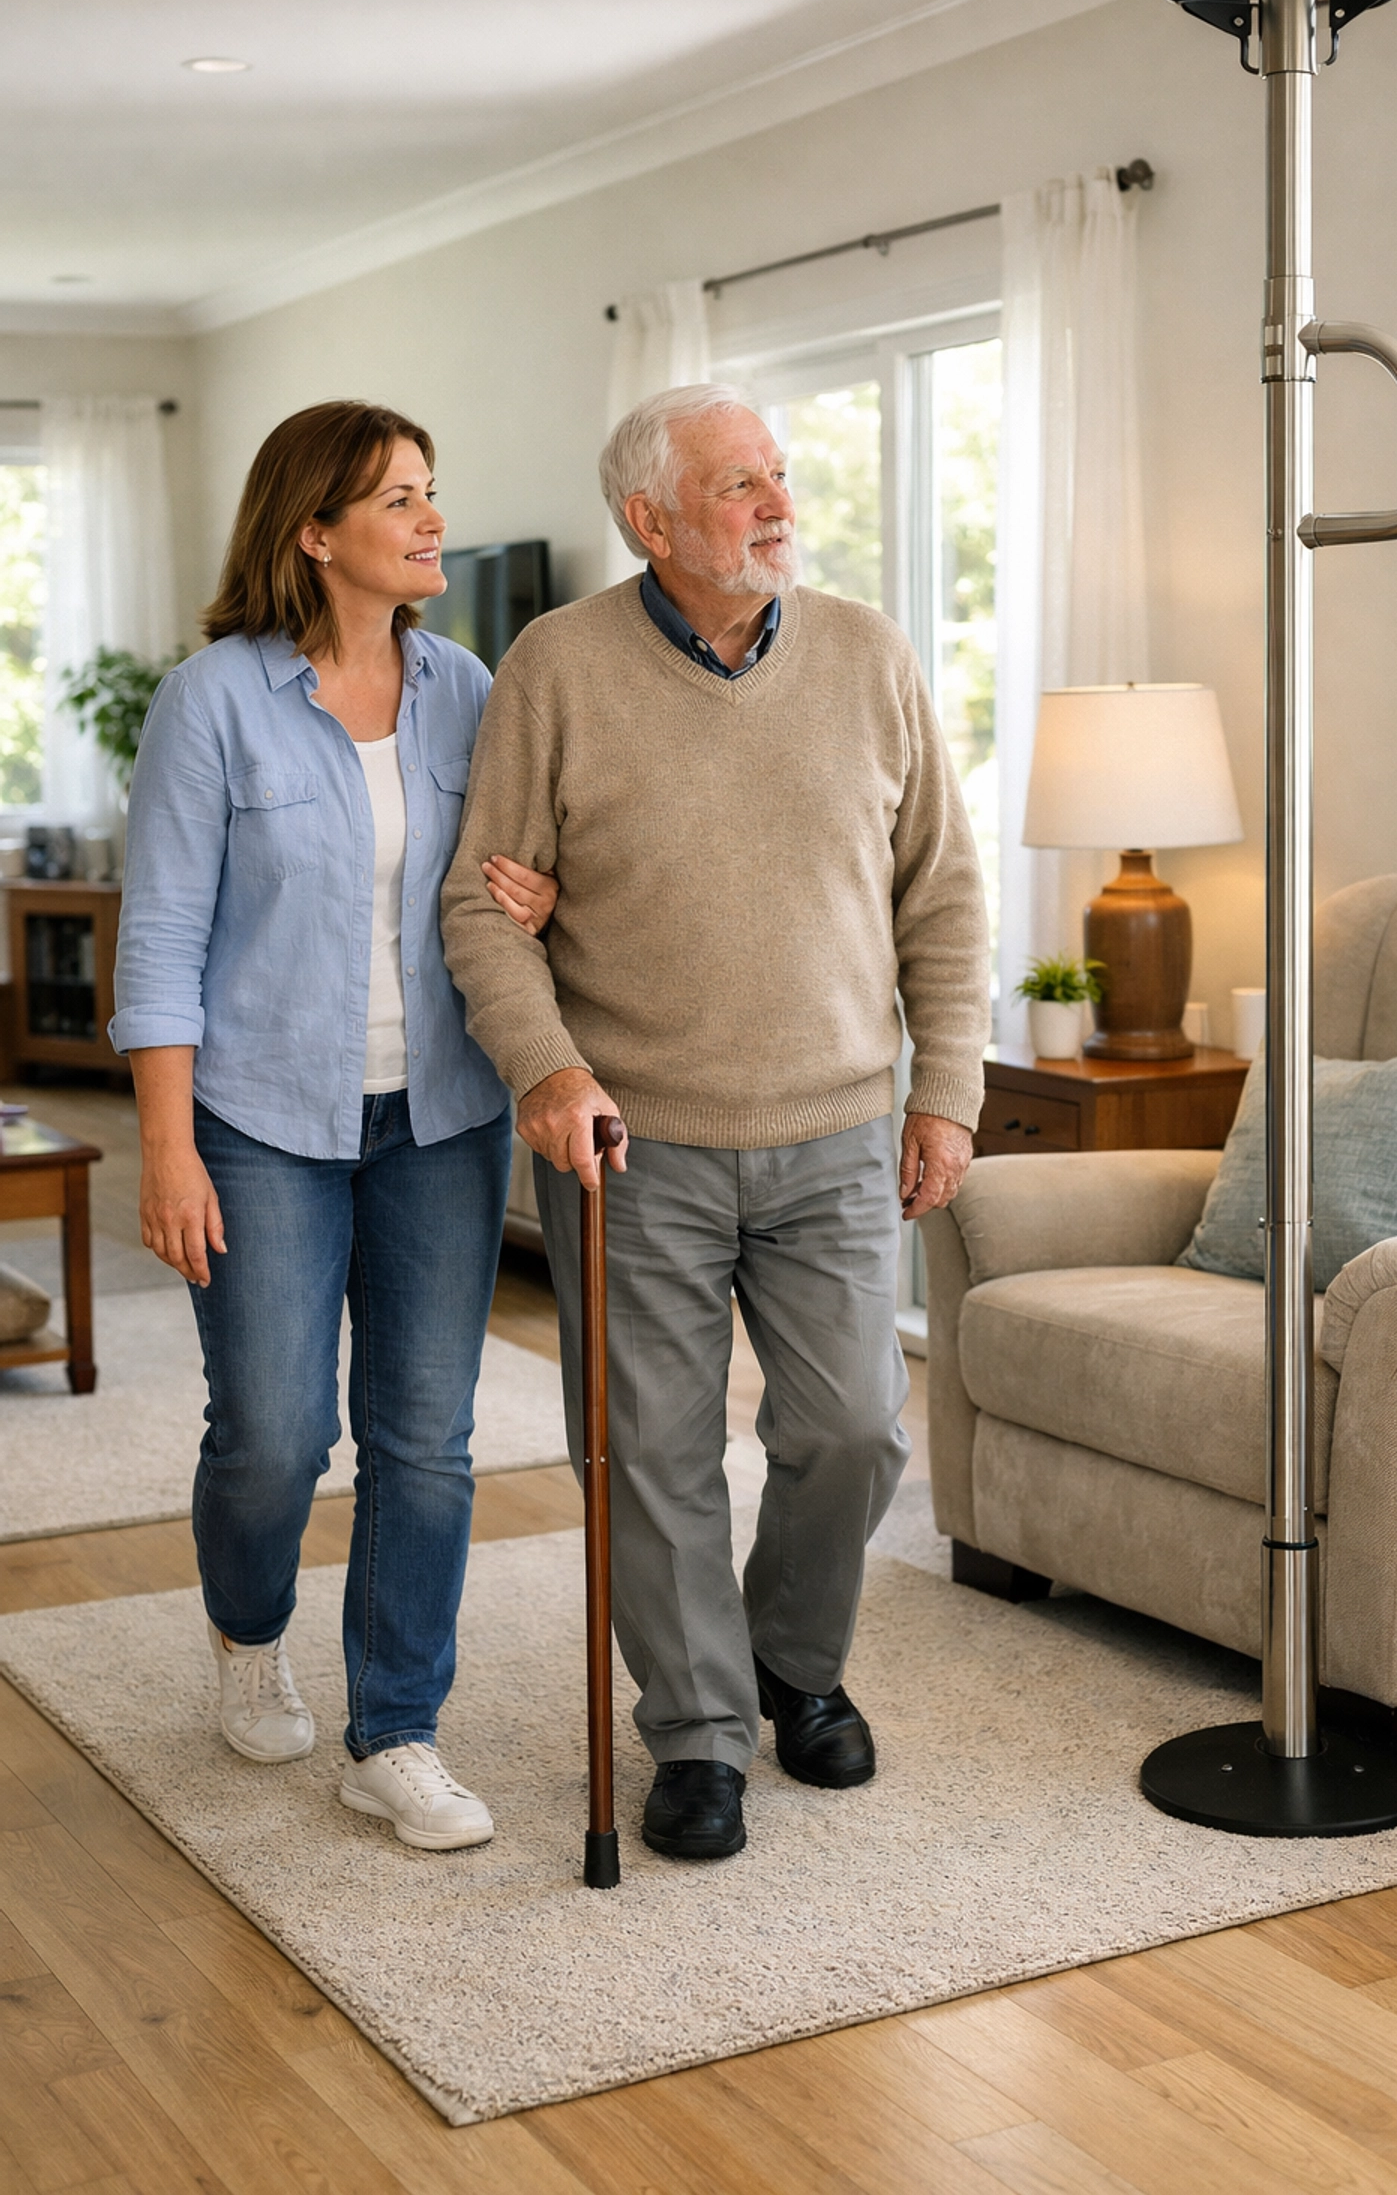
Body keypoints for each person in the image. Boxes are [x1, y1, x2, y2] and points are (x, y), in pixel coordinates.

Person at [441, 382, 991, 1860]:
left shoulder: (871, 657)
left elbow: (940, 891)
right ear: (650, 517)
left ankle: (792, 1667)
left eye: (779, 476)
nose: (776, 503)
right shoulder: (555, 670)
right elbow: (480, 910)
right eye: (739, 483)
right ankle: (694, 1733)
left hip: (832, 1128)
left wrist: (947, 1088)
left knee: (857, 1426)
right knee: (652, 1452)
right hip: (638, 1140)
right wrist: (553, 1072)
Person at [111, 400, 554, 1851]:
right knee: (275, 1436)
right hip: (257, 1120)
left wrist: (532, 897)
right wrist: (167, 1147)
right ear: (314, 533)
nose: (433, 522)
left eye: (435, 492)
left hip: (439, 1113)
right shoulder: (214, 700)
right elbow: (163, 937)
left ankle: (396, 1730)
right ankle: (248, 1632)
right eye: (399, 501)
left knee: (424, 1439)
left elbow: (505, 878)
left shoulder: (468, 690)